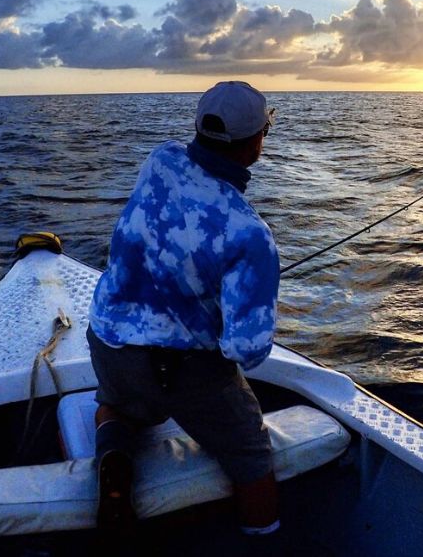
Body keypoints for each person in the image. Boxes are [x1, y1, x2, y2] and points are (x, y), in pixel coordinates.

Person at [87, 80, 280, 541]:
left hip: (108, 342)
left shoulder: (161, 158)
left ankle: (114, 460)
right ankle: (264, 539)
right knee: (253, 459)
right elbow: (246, 351)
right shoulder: (250, 234)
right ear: (256, 142)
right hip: (181, 373)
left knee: (116, 405)